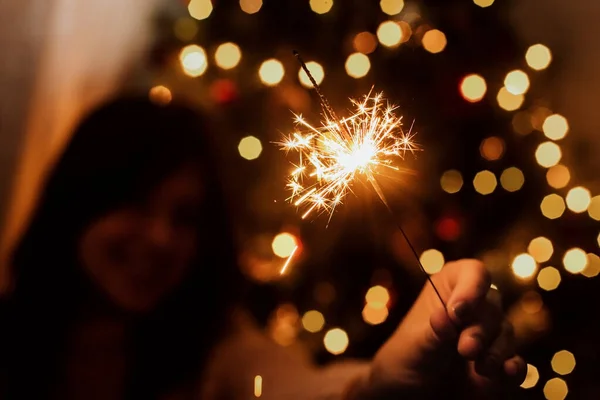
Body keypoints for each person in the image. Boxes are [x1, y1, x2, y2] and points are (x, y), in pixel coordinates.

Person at [0, 95, 525, 399]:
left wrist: (377, 380)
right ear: (78, 203)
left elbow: (294, 387)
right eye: (135, 203)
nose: (161, 238)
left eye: (185, 216)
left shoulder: (217, 349)